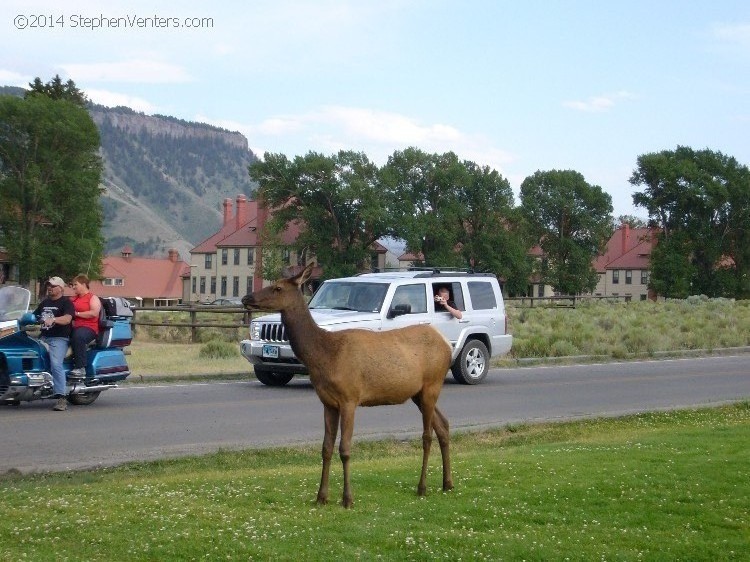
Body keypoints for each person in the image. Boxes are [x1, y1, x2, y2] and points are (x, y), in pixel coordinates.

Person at [33, 277, 75, 411]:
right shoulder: (44, 302)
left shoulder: (66, 303)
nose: (50, 288)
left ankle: (62, 397)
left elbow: (68, 319)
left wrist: (54, 319)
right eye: (48, 285)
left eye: (53, 286)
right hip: (43, 337)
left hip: (59, 338)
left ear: (60, 288)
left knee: (56, 363)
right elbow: (34, 316)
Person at [69, 274, 102, 380]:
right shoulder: (73, 299)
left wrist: (76, 314)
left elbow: (94, 313)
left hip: (89, 328)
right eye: (73, 285)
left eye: (76, 284)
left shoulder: (93, 298)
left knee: (78, 337)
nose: (73, 287)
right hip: (73, 326)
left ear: (83, 284)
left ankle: (80, 367)